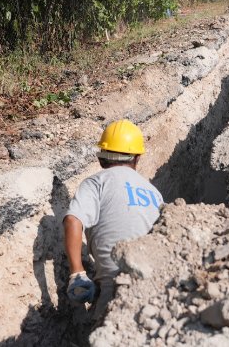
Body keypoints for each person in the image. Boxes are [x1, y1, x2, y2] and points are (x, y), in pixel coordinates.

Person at [62, 119, 162, 320]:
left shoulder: (96, 183)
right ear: (137, 158)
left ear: (101, 159)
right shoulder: (154, 192)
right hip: (158, 286)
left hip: (115, 288)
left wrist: (77, 274)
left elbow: (73, 220)